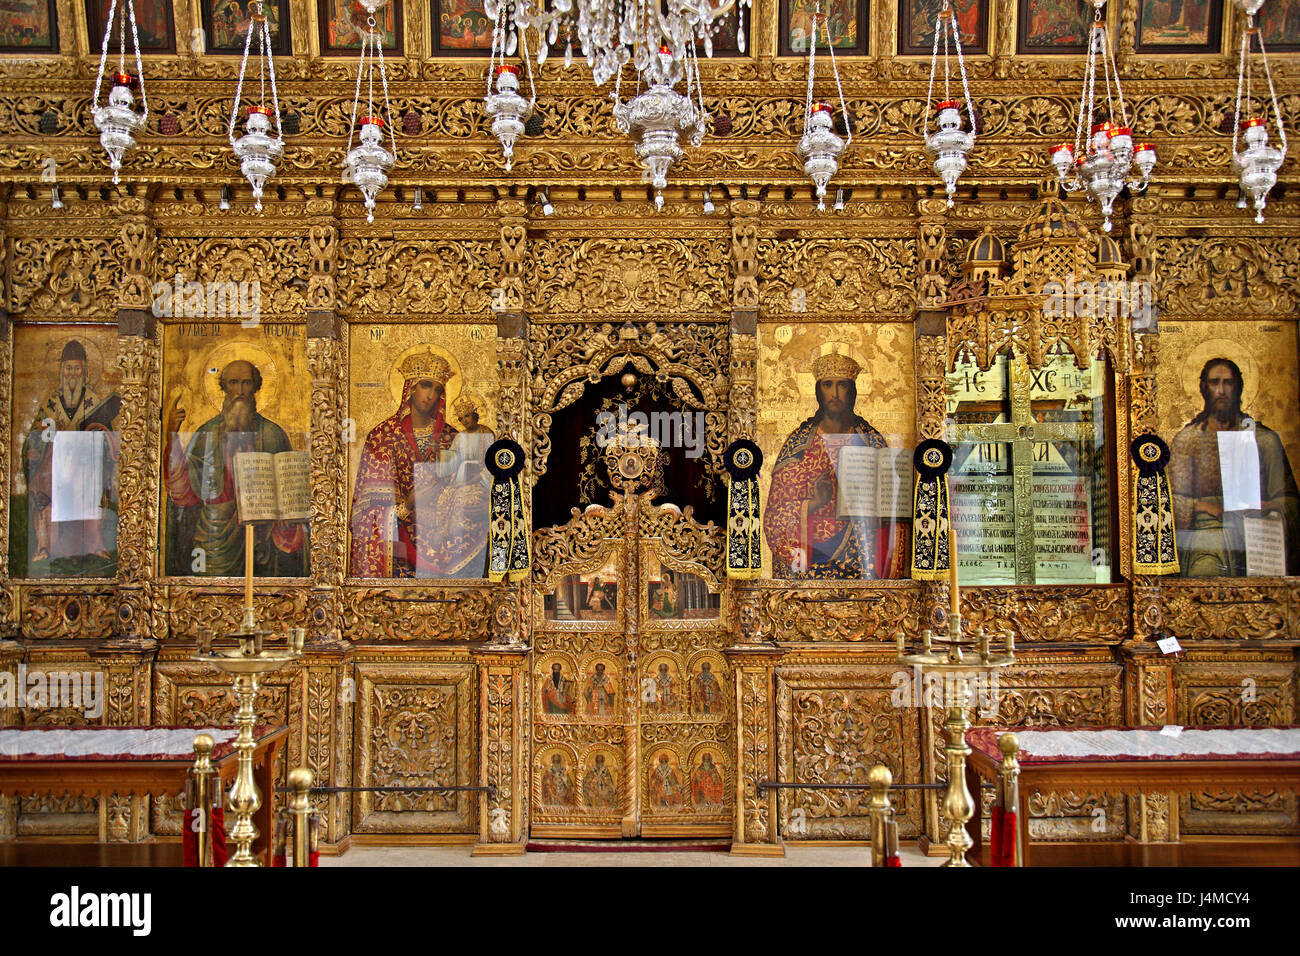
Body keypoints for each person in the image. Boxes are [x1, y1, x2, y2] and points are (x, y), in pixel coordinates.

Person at [350, 349, 489, 577]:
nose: (431, 395)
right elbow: (364, 513)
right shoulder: (382, 437)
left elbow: (475, 482)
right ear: (411, 388)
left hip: (449, 540)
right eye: (426, 385)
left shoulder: (453, 437)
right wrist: (407, 505)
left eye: (437, 389)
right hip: (399, 548)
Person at [764, 351, 902, 579]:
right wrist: (815, 503)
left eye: (843, 386)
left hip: (861, 556)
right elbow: (775, 515)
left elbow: (892, 507)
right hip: (810, 559)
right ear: (818, 391)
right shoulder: (798, 444)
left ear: (853, 391)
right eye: (828, 385)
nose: (836, 393)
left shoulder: (871, 441)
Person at [164, 359, 305, 577]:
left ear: (256, 387)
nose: (240, 390)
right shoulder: (207, 433)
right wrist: (171, 434)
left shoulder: (272, 433)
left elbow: (289, 491)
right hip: (215, 537)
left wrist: (287, 513)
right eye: (233, 382)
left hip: (262, 539)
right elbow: (183, 490)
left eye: (246, 383)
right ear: (224, 387)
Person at [1170, 358, 1300, 576]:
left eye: (1228, 383)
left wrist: (1266, 505)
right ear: (1203, 388)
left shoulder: (1263, 440)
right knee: (1206, 572)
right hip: (1206, 540)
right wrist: (1203, 507)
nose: (1221, 391)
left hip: (1257, 537)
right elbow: (1170, 501)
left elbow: (1291, 503)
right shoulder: (1188, 440)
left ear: (1238, 388)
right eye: (1214, 383)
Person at [22, 340, 121, 574]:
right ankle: (45, 546)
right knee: (43, 495)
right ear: (60, 371)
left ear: (85, 371)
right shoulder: (50, 402)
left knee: (93, 490)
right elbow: (33, 436)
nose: (72, 374)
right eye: (68, 368)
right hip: (53, 469)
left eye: (77, 369)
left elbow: (107, 434)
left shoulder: (93, 400)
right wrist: (35, 445)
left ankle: (95, 545)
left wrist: (99, 433)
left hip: (85, 469)